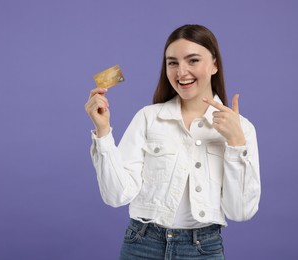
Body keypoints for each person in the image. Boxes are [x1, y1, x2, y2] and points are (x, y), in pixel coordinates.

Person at [84, 24, 260, 260]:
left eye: (193, 60)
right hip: (142, 245)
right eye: (173, 62)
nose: (181, 72)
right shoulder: (148, 118)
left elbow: (240, 212)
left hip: (203, 250)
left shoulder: (242, 129)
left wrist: (236, 143)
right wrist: (103, 132)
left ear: (215, 65)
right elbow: (116, 195)